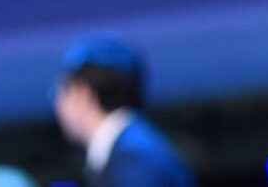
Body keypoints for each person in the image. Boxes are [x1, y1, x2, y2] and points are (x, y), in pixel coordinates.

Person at [53, 35, 196, 187]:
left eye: (59, 92)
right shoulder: (133, 148)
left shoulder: (134, 160)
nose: (57, 104)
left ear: (82, 95)